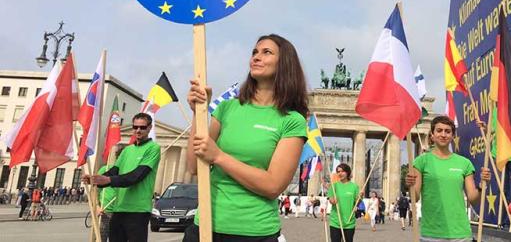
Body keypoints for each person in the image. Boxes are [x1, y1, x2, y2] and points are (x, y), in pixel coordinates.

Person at [184, 34, 309, 241]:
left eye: (266, 52)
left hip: (254, 232)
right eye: (254, 52)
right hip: (204, 227)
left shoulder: (292, 121)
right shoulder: (227, 108)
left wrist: (219, 157)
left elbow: (273, 186)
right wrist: (198, 112)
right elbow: (193, 167)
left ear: (285, 63)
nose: (256, 57)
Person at [406, 115, 491, 242]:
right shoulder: (420, 162)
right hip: (431, 234)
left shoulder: (464, 163)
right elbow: (415, 197)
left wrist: (482, 185)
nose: (443, 134)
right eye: (439, 130)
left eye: (448, 131)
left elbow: (473, 199)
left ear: (452, 136)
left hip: (460, 234)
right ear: (432, 135)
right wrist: (410, 185)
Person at [83, 112, 161, 242]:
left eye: (142, 127)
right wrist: (95, 179)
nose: (138, 130)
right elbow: (113, 171)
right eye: (135, 127)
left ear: (149, 128)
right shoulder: (127, 150)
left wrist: (108, 180)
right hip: (119, 209)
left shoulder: (153, 148)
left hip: (138, 210)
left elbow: (136, 176)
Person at [97, 144, 126, 242]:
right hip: (105, 212)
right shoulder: (105, 170)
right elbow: (94, 191)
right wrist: (96, 206)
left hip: (121, 212)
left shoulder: (129, 173)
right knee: (100, 238)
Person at [328, 163, 360, 242]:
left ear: (347, 172)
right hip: (335, 221)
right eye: (338, 172)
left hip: (349, 222)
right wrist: (333, 201)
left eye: (342, 171)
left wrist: (360, 198)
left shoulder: (354, 187)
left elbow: (357, 203)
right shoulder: (334, 185)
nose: (340, 173)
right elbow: (330, 199)